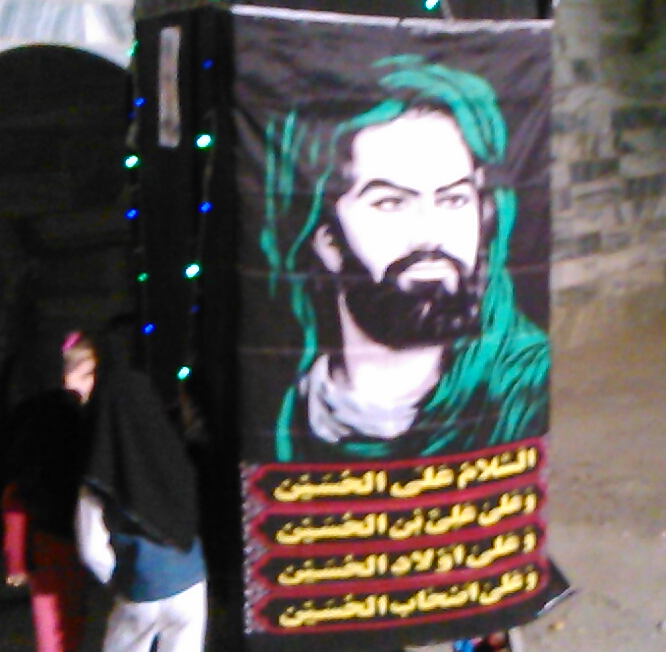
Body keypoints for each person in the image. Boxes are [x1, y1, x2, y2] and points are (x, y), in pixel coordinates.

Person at [260, 54, 550, 463]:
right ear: (327, 240)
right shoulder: (281, 404)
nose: (430, 234)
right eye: (391, 202)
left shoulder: (524, 388)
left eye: (453, 199)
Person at [74, 331, 208, 652]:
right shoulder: (175, 458)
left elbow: (91, 548)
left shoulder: (100, 475)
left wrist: (121, 581)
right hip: (191, 579)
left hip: (141, 588)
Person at [0, 330, 96, 652]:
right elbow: (17, 497)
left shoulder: (51, 415)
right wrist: (16, 559)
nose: (92, 383)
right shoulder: (59, 419)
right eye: (87, 375)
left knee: (63, 617)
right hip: (53, 535)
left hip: (57, 533)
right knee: (58, 620)